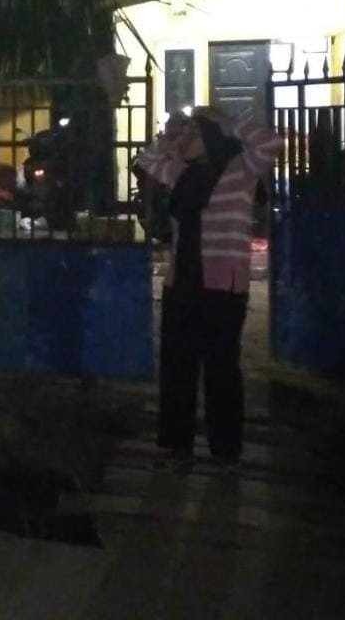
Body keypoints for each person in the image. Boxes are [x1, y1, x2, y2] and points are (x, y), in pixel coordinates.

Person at [135, 106, 279, 472]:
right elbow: (147, 159)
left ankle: (225, 453)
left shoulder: (239, 172)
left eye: (194, 133)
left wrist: (222, 122)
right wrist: (173, 134)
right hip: (182, 282)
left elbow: (269, 142)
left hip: (222, 288)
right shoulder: (182, 174)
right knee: (177, 366)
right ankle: (176, 447)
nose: (187, 138)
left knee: (221, 368)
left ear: (212, 137)